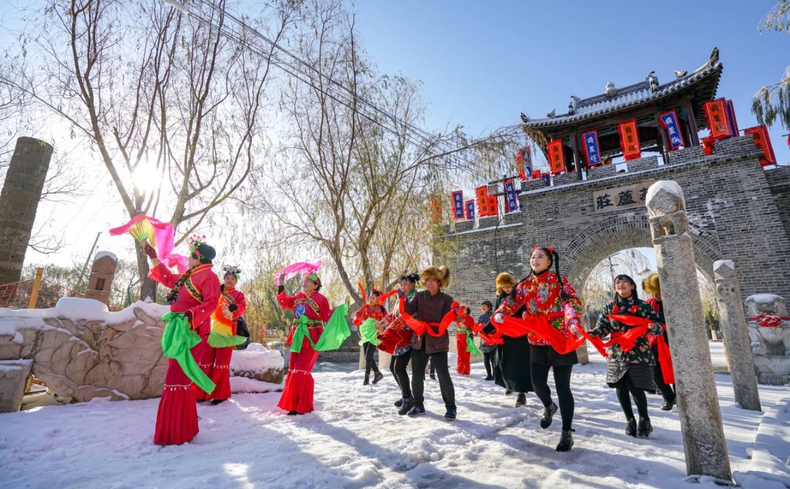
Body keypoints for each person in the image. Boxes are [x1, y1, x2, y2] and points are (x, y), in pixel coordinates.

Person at [493, 247, 582, 452]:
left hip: (560, 336)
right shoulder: (524, 285)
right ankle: (549, 406)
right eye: (533, 257)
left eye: (540, 256)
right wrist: (500, 312)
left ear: (550, 261)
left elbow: (572, 301)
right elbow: (512, 302)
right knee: (537, 383)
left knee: (563, 388)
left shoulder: (559, 281)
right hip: (536, 338)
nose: (535, 260)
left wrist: (573, 320)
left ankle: (566, 433)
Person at [145, 235, 220, 445]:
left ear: (198, 257)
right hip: (178, 328)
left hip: (193, 332)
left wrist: (192, 316)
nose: (188, 258)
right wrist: (153, 257)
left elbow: (212, 303)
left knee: (176, 379)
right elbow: (168, 279)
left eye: (191, 255)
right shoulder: (189, 275)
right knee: (178, 379)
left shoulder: (209, 277)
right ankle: (183, 428)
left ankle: (175, 431)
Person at [588, 274, 664, 438]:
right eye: (617, 282)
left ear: (632, 286)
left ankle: (644, 419)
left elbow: (659, 328)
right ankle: (630, 420)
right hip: (617, 352)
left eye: (624, 282)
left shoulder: (643, 306)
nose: (620, 284)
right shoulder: (609, 307)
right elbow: (603, 327)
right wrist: (593, 334)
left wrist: (653, 326)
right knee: (620, 386)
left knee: (634, 387)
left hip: (638, 352)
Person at [404, 265, 457, 420]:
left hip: (438, 341)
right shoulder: (419, 297)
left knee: (443, 374)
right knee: (417, 374)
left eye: (433, 280)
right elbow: (407, 310)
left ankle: (451, 408)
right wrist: (402, 297)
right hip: (419, 340)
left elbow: (452, 314)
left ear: (440, 282)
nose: (430, 283)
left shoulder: (447, 300)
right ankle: (418, 405)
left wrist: (460, 311)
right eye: (427, 280)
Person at [277, 271, 332, 415]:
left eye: (309, 280)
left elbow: (327, 316)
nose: (305, 282)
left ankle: (303, 405)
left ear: (316, 285)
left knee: (302, 370)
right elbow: (284, 302)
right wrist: (281, 284)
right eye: (305, 280)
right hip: (298, 336)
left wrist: (337, 313)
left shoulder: (321, 299)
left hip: (312, 338)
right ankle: (294, 405)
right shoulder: (299, 297)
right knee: (294, 370)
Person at [202, 265, 247, 405]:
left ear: (236, 281)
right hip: (212, 331)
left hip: (227, 333)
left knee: (221, 365)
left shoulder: (239, 295)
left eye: (232, 278)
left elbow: (242, 307)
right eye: (227, 278)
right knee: (206, 362)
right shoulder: (217, 292)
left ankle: (219, 395)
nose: (229, 280)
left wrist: (235, 307)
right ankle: (202, 393)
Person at [492, 272, 532, 407]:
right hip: (505, 336)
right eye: (503, 287)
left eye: (509, 286)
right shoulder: (499, 299)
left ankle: (521, 393)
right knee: (503, 362)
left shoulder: (520, 297)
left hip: (520, 335)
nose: (507, 289)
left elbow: (527, 313)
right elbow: (495, 315)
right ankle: (509, 384)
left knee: (519, 364)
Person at [382, 273, 418, 415]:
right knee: (393, 367)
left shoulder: (415, 298)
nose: (402, 287)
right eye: (401, 285)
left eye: (405, 284)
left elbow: (409, 316)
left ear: (413, 284)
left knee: (399, 368)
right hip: (399, 336)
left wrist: (397, 323)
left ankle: (408, 399)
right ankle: (406, 394)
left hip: (408, 336)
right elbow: (395, 314)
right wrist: (386, 320)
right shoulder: (400, 298)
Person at [643, 273, 676, 411]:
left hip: (672, 341)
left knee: (676, 372)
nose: (657, 296)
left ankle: (680, 397)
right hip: (655, 343)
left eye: (659, 292)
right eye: (654, 293)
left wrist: (659, 318)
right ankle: (668, 397)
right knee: (655, 373)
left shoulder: (674, 301)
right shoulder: (649, 304)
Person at [354, 289, 386, 385]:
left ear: (378, 299)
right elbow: (357, 314)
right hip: (365, 332)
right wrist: (357, 320)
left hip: (375, 333)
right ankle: (377, 373)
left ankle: (366, 377)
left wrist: (382, 327)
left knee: (369, 355)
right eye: (370, 297)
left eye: (373, 298)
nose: (371, 299)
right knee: (366, 356)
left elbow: (386, 320)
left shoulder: (381, 309)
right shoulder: (365, 307)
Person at [478, 301, 496, 381]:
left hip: (492, 338)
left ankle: (495, 375)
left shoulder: (492, 315)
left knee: (493, 359)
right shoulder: (481, 317)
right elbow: (478, 327)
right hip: (484, 340)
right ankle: (489, 374)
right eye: (481, 306)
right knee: (486, 359)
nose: (482, 307)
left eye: (484, 306)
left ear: (489, 307)